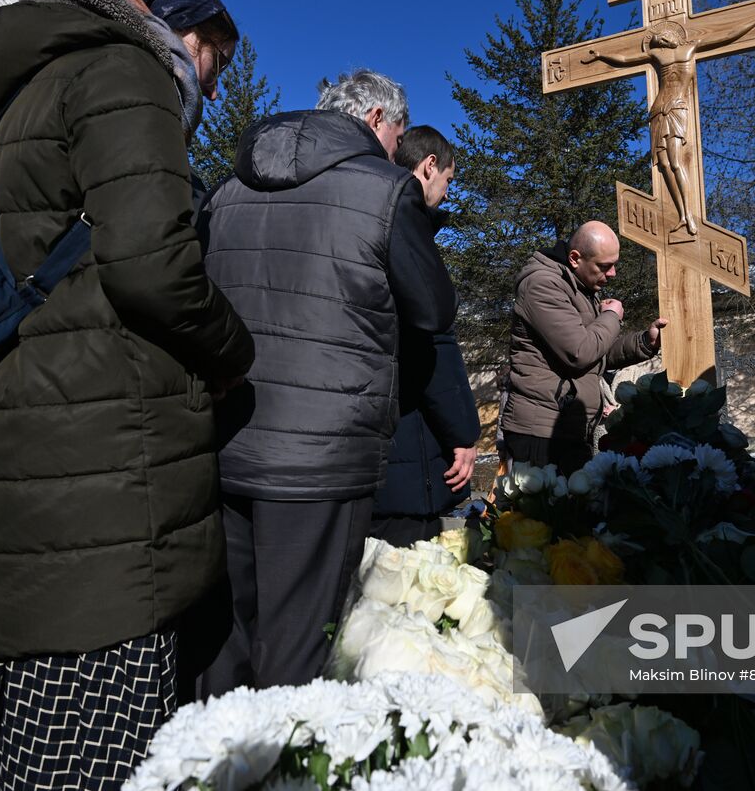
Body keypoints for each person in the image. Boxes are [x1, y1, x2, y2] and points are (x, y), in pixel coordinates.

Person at [0, 0, 255, 789]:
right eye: (216, 56)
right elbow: (151, 265)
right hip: (99, 464)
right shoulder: (124, 70)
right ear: (188, 32)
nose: (210, 79)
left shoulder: (7, 90)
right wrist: (236, 351)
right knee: (86, 736)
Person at [199, 70, 456, 692]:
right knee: (298, 647)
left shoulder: (226, 190)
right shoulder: (386, 190)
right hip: (321, 456)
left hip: (226, 441)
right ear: (374, 119)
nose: (399, 149)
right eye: (397, 133)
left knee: (222, 641)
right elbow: (433, 310)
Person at [370, 126, 480, 547]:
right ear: (428, 165)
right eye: (449, 179)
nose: (448, 193)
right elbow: (432, 343)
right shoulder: (404, 227)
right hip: (403, 450)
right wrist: (463, 433)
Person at [581, 13, 755, 235]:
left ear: (674, 36)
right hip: (658, 109)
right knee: (663, 165)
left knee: (675, 161)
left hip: (676, 106)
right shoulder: (656, 55)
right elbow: (626, 59)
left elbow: (727, 36)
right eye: (660, 40)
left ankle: (688, 215)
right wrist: (600, 55)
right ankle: (681, 214)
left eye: (665, 38)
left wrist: (754, 21)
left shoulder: (691, 47)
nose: (663, 41)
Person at [500, 222, 665, 475]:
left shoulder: (581, 289)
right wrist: (611, 316)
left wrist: (644, 343)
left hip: (569, 428)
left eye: (614, 264)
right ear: (575, 258)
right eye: (604, 266)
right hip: (541, 432)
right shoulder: (543, 285)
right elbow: (579, 352)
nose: (613, 274)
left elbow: (596, 354)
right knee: (542, 514)